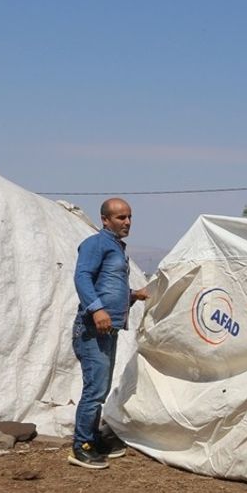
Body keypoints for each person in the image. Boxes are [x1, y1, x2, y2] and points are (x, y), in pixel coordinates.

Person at [70, 197, 148, 470]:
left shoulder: (115, 248)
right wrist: (97, 310)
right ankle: (82, 447)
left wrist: (133, 295)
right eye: (120, 218)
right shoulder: (96, 244)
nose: (126, 222)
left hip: (107, 329)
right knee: (95, 389)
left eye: (129, 217)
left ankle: (92, 438)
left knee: (100, 388)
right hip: (93, 329)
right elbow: (82, 277)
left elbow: (108, 287)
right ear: (105, 219)